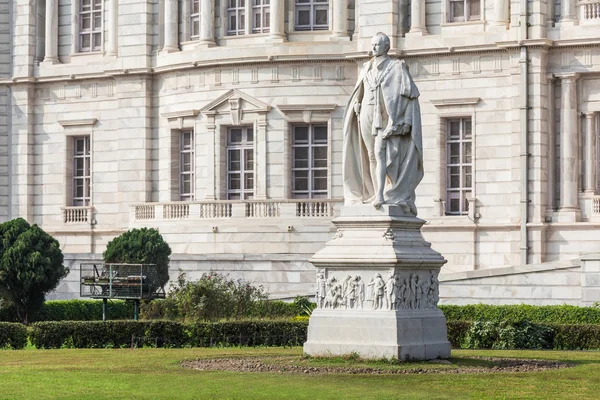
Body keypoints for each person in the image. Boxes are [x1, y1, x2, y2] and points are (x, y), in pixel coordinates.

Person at [342, 32, 424, 214]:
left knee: (380, 153)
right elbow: (360, 91)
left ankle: (380, 193)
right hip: (366, 114)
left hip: (385, 118)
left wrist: (405, 121)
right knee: (371, 154)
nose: (373, 48)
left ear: (386, 46)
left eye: (377, 45)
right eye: (372, 44)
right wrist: (357, 102)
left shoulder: (396, 67)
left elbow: (409, 95)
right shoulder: (366, 67)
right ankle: (375, 191)